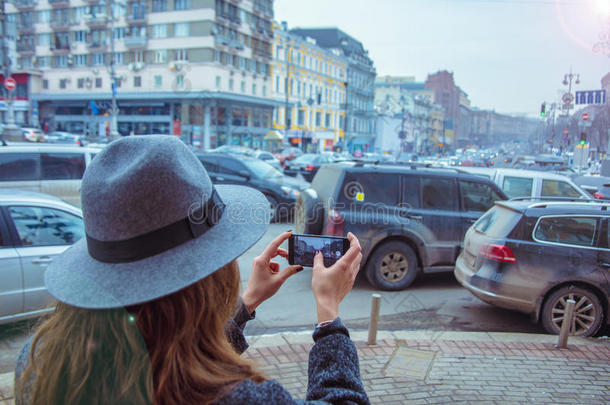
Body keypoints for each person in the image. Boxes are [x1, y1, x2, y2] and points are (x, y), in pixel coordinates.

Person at [14, 135, 369, 405]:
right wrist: (329, 318)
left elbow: (174, 345)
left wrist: (247, 304)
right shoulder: (233, 396)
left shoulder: (41, 361)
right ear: (208, 276)